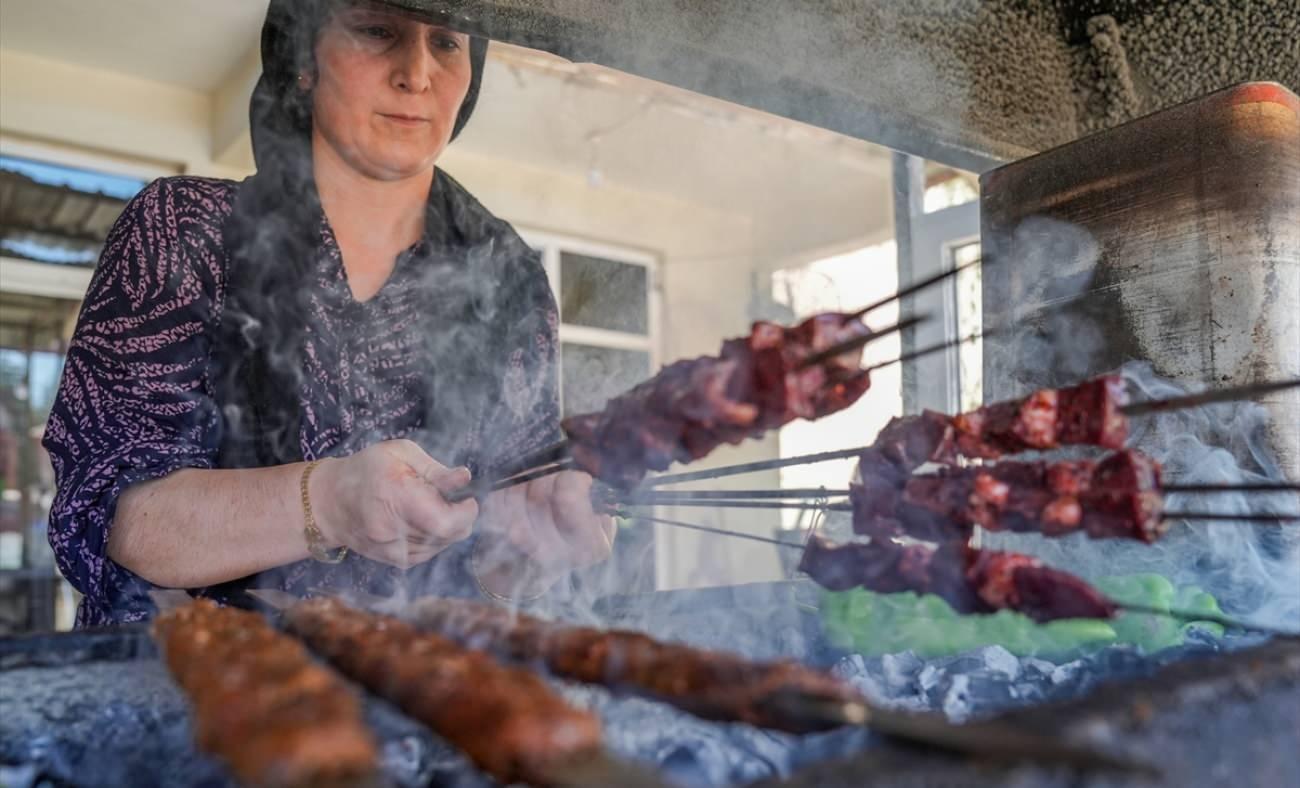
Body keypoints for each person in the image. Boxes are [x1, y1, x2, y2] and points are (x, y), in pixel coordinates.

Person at [42, 0, 614, 627]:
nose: (416, 74)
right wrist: (331, 500)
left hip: (417, 696)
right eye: (378, 31)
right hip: (181, 691)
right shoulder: (182, 229)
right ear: (305, 60)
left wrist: (536, 551)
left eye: (447, 43)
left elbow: (500, 576)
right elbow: (118, 520)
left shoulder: (511, 282)